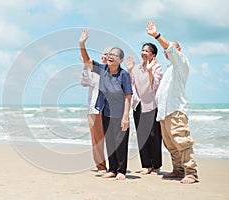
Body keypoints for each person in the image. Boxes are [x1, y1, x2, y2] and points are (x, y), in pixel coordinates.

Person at [146, 21, 199, 184]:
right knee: (171, 144)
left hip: (176, 110)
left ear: (179, 50)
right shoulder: (170, 69)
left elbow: (170, 49)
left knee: (182, 141)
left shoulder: (181, 62)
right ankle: (178, 170)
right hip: (164, 112)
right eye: (165, 51)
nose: (167, 51)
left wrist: (157, 35)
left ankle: (191, 172)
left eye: (170, 49)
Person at [79, 30, 133, 180]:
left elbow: (128, 96)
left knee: (121, 142)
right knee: (110, 142)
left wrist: (126, 116)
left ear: (120, 60)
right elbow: (87, 61)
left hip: (120, 113)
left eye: (114, 55)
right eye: (110, 55)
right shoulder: (102, 69)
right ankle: (112, 169)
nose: (110, 57)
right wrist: (82, 44)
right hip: (106, 112)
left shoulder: (124, 75)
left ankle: (121, 171)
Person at [126, 43, 163, 175]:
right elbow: (130, 84)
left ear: (153, 55)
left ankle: (156, 165)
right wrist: (130, 70)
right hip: (138, 105)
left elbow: (155, 86)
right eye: (142, 50)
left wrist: (149, 70)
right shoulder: (136, 68)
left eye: (147, 51)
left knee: (154, 135)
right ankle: (146, 165)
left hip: (152, 104)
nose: (143, 52)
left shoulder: (157, 67)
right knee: (142, 135)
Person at [80, 48, 111, 173]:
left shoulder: (113, 72)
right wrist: (85, 66)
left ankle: (115, 165)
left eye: (108, 55)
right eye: (103, 54)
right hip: (94, 109)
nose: (104, 56)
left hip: (109, 109)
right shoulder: (93, 70)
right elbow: (83, 83)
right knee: (97, 139)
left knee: (111, 138)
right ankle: (101, 166)